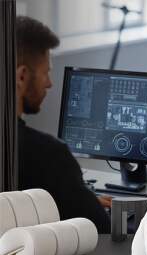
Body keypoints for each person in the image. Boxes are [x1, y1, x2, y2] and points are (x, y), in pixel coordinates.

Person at [16, 16, 111, 233]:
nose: (49, 83)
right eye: (46, 72)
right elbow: (100, 229)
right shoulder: (49, 155)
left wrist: (79, 195)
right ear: (21, 76)